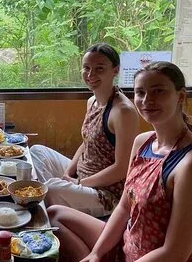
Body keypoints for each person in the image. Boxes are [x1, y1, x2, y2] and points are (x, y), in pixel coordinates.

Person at [50, 62, 192, 262]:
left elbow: (175, 254)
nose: (147, 100)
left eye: (159, 91)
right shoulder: (143, 142)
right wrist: (96, 253)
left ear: (181, 96)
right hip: (129, 250)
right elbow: (125, 205)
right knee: (55, 215)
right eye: (140, 92)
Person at [30, 43, 139, 217]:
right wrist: (68, 173)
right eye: (86, 68)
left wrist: (80, 183)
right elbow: (86, 142)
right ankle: (53, 200)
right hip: (81, 175)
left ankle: (52, 203)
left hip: (105, 193)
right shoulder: (92, 101)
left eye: (99, 68)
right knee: (37, 151)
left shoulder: (123, 111)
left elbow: (122, 168)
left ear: (115, 70)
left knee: (50, 188)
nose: (90, 74)